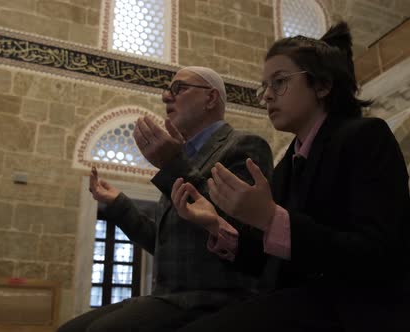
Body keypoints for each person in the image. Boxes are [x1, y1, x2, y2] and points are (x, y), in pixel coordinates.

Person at [171, 23, 410, 331]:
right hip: (314, 304)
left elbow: (376, 253)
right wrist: (217, 225)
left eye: (279, 82)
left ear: (321, 86)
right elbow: (273, 260)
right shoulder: (288, 165)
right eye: (263, 86)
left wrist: (270, 218)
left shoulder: (365, 138)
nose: (266, 96)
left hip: (379, 311)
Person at [57, 66, 273, 332]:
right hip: (168, 298)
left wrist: (173, 164)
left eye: (179, 89)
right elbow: (164, 244)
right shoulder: (184, 156)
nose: (166, 97)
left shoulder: (244, 147)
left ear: (211, 98)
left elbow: (236, 233)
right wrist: (118, 205)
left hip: (213, 301)